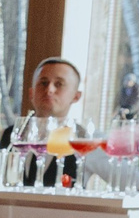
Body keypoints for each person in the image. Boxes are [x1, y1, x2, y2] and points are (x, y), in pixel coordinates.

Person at [6, 56, 85, 186]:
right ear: (31, 93)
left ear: (76, 96)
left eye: (59, 84)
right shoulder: (8, 136)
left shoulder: (83, 141)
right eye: (43, 83)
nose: (49, 90)